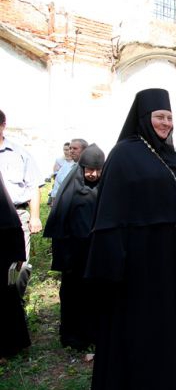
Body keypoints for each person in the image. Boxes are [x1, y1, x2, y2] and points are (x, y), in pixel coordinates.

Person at [85, 89, 176, 390]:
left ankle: (174, 367)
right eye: (159, 117)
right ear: (143, 118)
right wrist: (115, 255)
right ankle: (145, 376)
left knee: (170, 311)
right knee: (145, 316)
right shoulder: (124, 153)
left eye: (169, 118)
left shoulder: (169, 153)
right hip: (140, 255)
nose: (165, 123)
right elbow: (110, 211)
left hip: (171, 251)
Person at [43, 144, 105, 351]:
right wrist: (65, 258)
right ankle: (73, 336)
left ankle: (95, 333)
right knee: (73, 295)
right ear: (81, 168)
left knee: (96, 296)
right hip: (75, 256)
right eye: (89, 170)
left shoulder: (106, 188)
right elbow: (60, 224)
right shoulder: (71, 188)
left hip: (96, 255)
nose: (94, 174)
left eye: (98, 170)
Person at [0, 109, 44, 299]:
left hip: (17, 216)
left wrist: (34, 217)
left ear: (3, 126)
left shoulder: (19, 154)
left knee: (19, 265)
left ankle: (14, 304)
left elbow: (33, 186)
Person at [0, 171, 31, 360]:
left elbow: (11, 222)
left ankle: (8, 347)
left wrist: (19, 254)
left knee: (4, 300)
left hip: (1, 256)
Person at [50, 139, 88, 204]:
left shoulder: (88, 168)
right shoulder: (66, 165)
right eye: (70, 148)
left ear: (84, 150)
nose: (71, 151)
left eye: (75, 148)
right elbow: (58, 184)